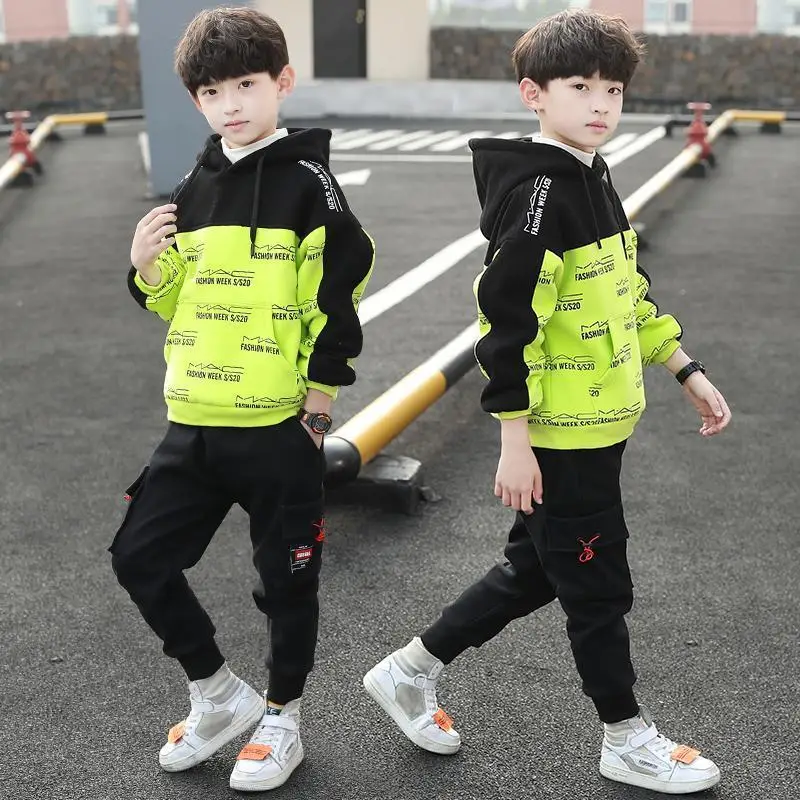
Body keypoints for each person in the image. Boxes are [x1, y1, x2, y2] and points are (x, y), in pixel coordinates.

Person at [363, 9, 730, 795]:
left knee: (536, 568)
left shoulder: (592, 174)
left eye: (612, 89)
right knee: (597, 588)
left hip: (601, 422)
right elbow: (506, 326)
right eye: (580, 87)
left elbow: (626, 292)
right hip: (561, 433)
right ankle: (625, 737)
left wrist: (684, 367)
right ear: (534, 94)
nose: (600, 104)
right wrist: (515, 441)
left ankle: (408, 670)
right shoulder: (539, 195)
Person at [110, 7, 374, 792]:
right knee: (138, 557)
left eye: (246, 86)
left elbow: (338, 301)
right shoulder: (194, 184)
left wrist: (317, 409)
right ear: (196, 99)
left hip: (276, 428)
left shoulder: (309, 186)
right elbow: (174, 301)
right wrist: (145, 268)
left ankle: (282, 718)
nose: (230, 104)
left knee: (286, 583)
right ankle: (217, 693)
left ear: (282, 82)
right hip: (192, 422)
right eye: (212, 92)